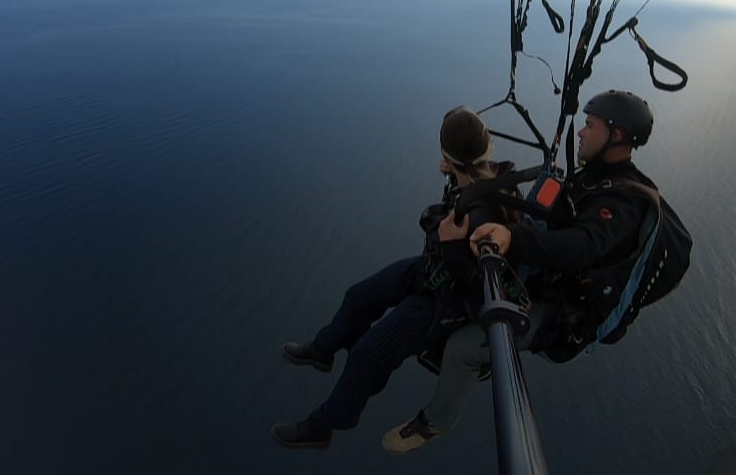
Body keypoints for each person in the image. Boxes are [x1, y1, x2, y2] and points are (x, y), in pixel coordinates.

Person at [382, 89, 659, 454]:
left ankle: (436, 421)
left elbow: (582, 246)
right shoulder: (597, 176)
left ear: (616, 135)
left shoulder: (623, 201)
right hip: (548, 277)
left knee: (461, 348)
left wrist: (513, 237)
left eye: (590, 126)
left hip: (564, 313)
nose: (581, 132)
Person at [270, 106, 514, 449]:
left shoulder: (483, 213)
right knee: (360, 296)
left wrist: (451, 245)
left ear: (447, 156)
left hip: (448, 302)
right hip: (434, 271)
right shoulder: (486, 178)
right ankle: (322, 350)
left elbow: (478, 287)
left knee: (368, 355)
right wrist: (454, 177)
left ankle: (323, 425)